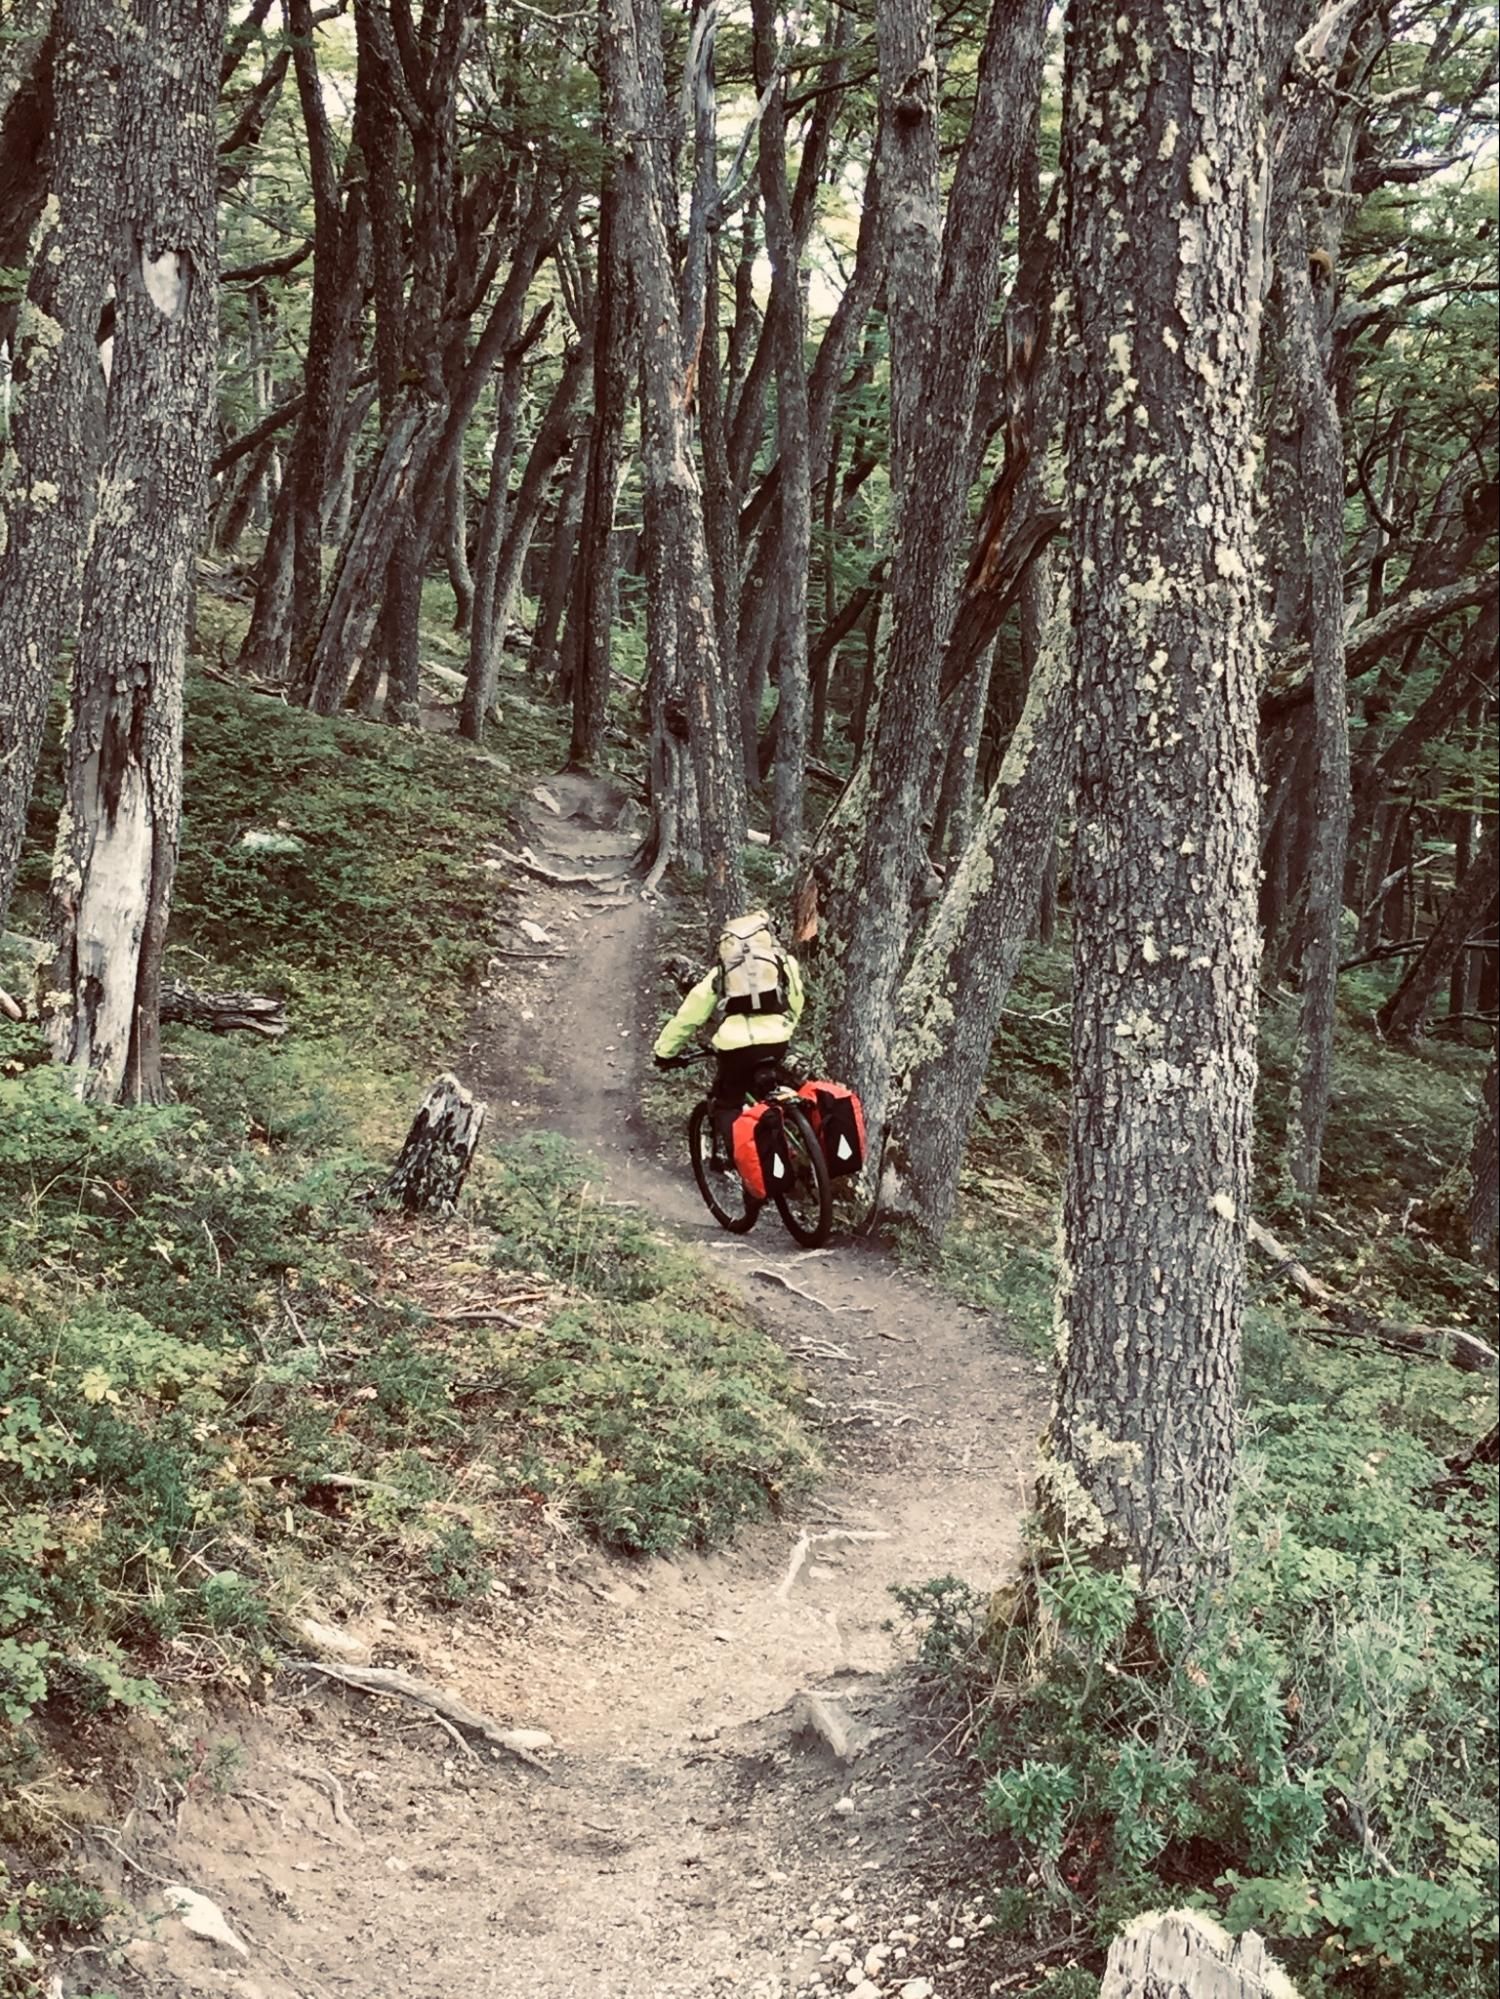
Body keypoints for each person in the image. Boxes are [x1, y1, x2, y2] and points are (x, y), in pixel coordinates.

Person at [653, 910, 806, 1163]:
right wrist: (785, 1028)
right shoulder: (783, 962)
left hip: (736, 1050)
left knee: (726, 1104)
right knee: (768, 1090)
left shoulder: (722, 971)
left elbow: (690, 1015)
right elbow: (797, 999)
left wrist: (665, 1052)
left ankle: (749, 1166)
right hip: (778, 1042)